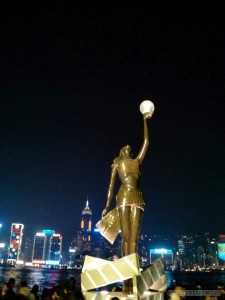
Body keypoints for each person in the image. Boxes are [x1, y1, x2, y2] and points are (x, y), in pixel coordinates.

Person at [101, 110, 153, 293]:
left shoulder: (137, 161)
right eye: (126, 149)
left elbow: (146, 142)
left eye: (130, 149)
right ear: (122, 152)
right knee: (125, 239)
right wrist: (107, 206)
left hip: (138, 197)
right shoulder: (117, 163)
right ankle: (126, 282)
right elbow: (110, 186)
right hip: (123, 197)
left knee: (134, 241)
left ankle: (132, 278)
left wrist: (145, 120)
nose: (129, 149)